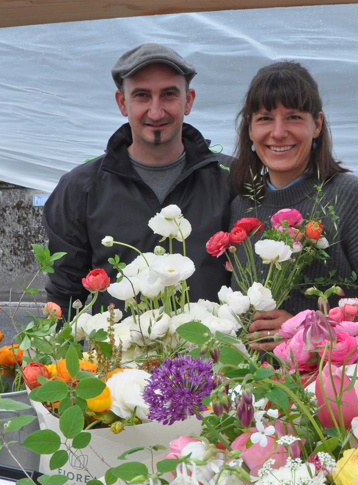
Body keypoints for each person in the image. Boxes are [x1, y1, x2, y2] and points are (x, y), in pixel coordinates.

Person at [229, 61, 358, 351]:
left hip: (331, 389)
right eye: (265, 118)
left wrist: (308, 332)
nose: (278, 133)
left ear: (316, 125)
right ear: (250, 129)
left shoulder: (356, 201)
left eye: (293, 117)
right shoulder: (241, 207)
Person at [44, 44, 232, 317]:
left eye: (169, 95)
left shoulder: (230, 181)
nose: (156, 112)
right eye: (142, 96)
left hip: (209, 357)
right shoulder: (80, 189)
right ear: (123, 103)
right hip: (118, 358)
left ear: (188, 101)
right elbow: (63, 297)